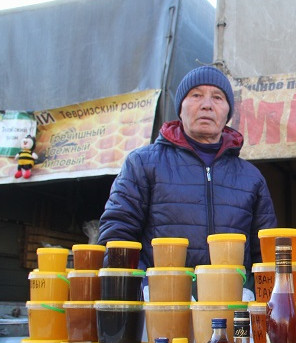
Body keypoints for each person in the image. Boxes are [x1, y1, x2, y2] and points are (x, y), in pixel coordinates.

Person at [97, 65, 277, 287]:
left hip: (233, 307)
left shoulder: (251, 178)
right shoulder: (142, 163)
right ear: (180, 108)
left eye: (218, 97)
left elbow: (266, 256)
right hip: (160, 308)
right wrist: (140, 292)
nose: (207, 105)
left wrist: (252, 295)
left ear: (228, 113)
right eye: (196, 95)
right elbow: (117, 236)